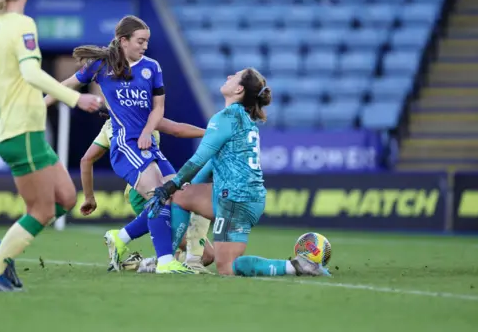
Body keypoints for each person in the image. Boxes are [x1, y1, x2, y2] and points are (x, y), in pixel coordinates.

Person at [0, 0, 102, 291]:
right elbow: (30, 73)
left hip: (21, 130)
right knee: (42, 210)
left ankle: (4, 249)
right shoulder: (22, 23)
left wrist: (2, 113)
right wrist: (75, 99)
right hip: (22, 132)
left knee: (66, 198)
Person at [146, 68, 331, 278]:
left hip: (234, 199)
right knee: (180, 197)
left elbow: (199, 159)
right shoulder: (244, 119)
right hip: (248, 197)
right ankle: (167, 261)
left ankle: (296, 266)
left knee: (227, 268)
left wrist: (171, 184)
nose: (228, 77)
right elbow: (212, 162)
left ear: (239, 89)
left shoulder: (225, 118)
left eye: (234, 76)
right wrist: (183, 185)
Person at [46, 15, 193, 274]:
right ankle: (165, 261)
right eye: (140, 41)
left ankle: (121, 238)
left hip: (148, 144)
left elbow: (159, 109)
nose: (145, 45)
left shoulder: (152, 67)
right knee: (159, 194)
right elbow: (66, 86)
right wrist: (38, 106)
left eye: (147, 41)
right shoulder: (101, 66)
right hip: (126, 144)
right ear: (123, 41)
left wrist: (148, 130)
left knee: (176, 194)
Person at [80, 115, 214, 273]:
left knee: (208, 255)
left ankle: (144, 261)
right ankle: (148, 257)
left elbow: (86, 160)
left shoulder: (111, 124)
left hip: (150, 186)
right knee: (198, 253)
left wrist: (89, 197)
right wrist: (213, 133)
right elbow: (177, 129)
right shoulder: (142, 116)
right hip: (146, 191)